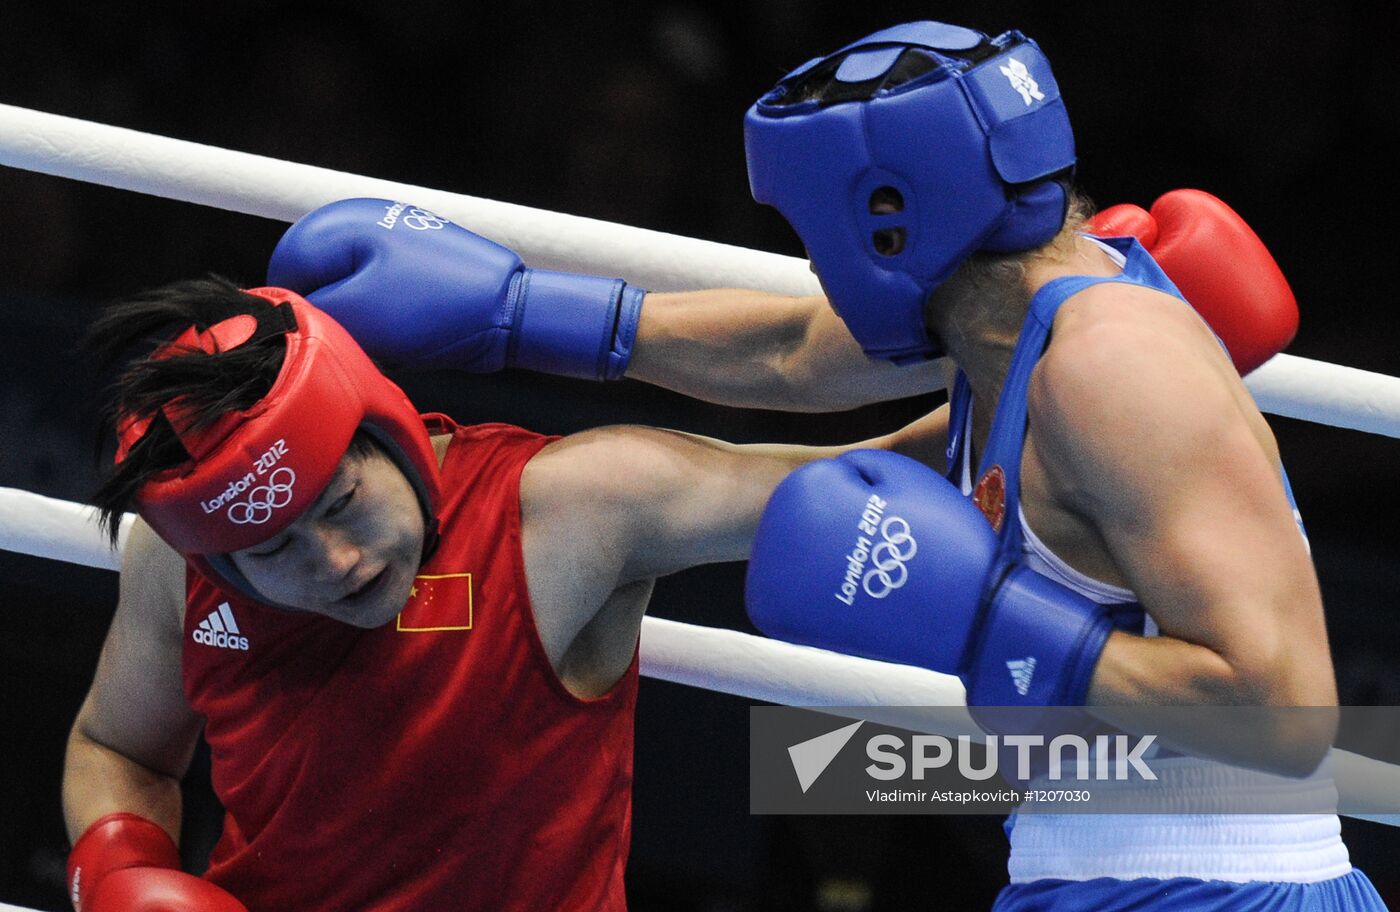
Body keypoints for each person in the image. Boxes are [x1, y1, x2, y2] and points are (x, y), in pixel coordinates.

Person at [262, 20, 1388, 912]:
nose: (812, 261)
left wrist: (986, 620)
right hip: (1092, 864)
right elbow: (789, 356)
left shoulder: (1108, 365)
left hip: (1221, 888)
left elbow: (1280, 714)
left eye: (811, 229)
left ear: (886, 221)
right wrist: (520, 316)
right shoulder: (1001, 334)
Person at [61, 277, 941, 911]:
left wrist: (1056, 319)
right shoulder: (177, 564)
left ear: (389, 429)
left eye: (342, 504)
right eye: (273, 549)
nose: (332, 560)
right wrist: (117, 870)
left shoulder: (569, 510)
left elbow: (888, 477)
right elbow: (118, 748)